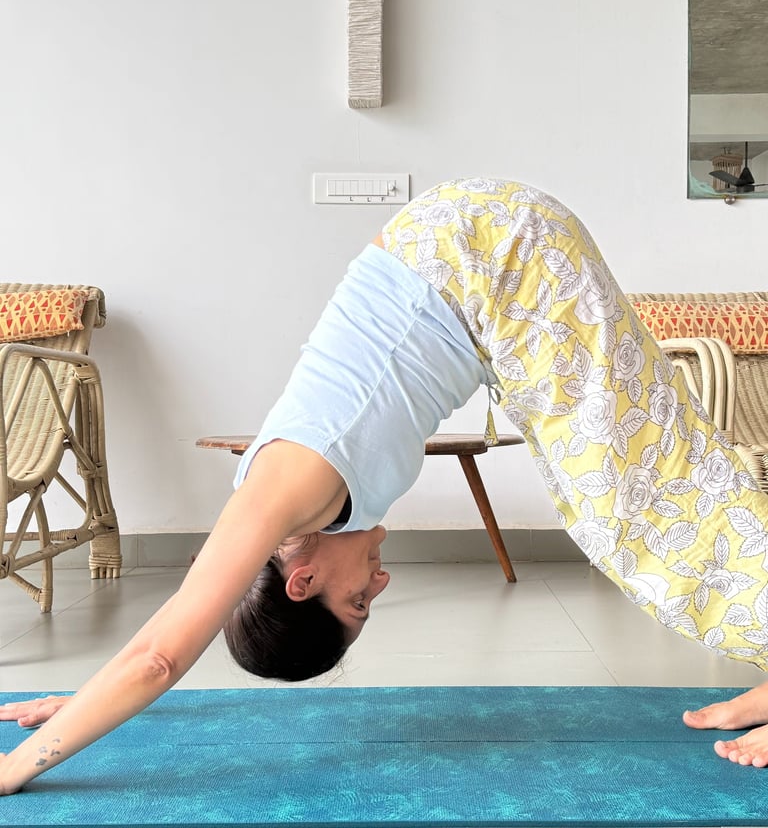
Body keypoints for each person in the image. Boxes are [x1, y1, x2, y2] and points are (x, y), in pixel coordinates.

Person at [3, 179, 768, 794]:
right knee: (659, 494)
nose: (380, 582)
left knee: (639, 521)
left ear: (302, 582)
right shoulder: (293, 508)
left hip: (488, 257)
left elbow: (158, 657)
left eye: (358, 602)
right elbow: (169, 639)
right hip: (469, 252)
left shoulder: (282, 492)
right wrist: (84, 704)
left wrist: (14, 769)